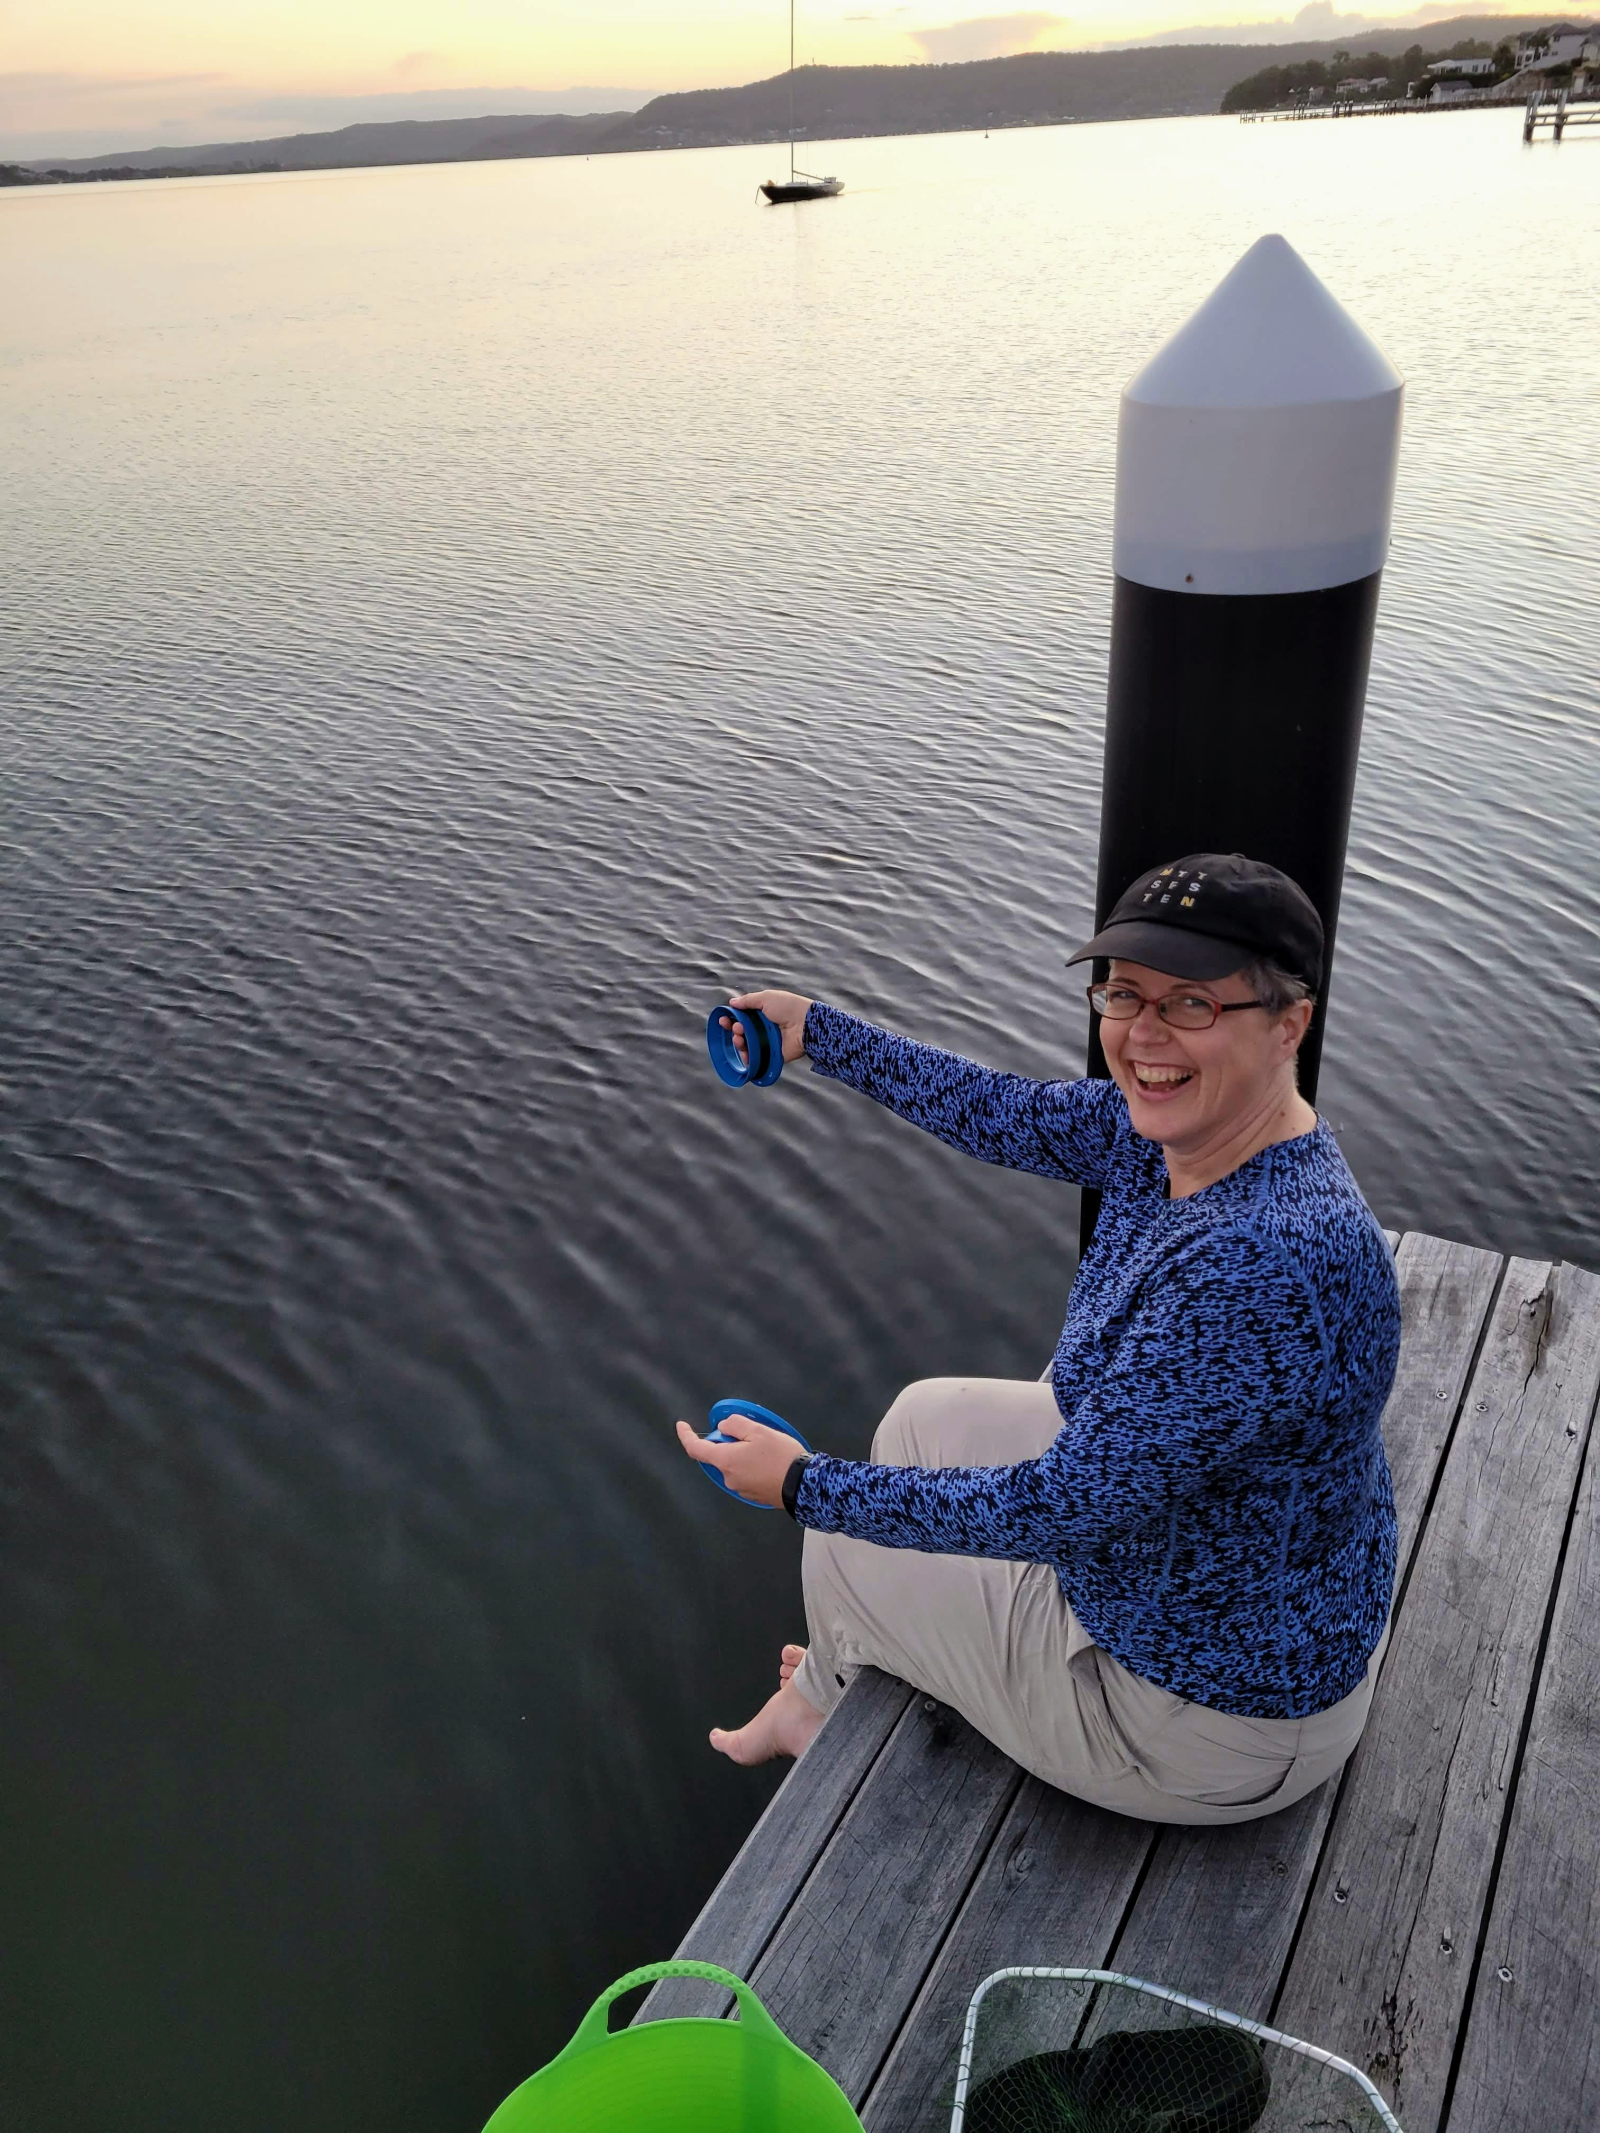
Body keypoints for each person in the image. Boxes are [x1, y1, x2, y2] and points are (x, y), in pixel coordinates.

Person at [676, 853, 1402, 1826]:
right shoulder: (1187, 1133)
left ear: (1289, 1024)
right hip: (1225, 1593)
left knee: (841, 1545)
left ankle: (818, 1705)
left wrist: (801, 1483)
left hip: (1207, 1717)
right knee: (921, 1419)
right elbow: (1000, 1115)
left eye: (1192, 1005)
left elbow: (1054, 1512)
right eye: (1125, 993)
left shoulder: (1252, 1268)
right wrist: (819, 1033)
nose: (1142, 1034)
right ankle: (863, 1646)